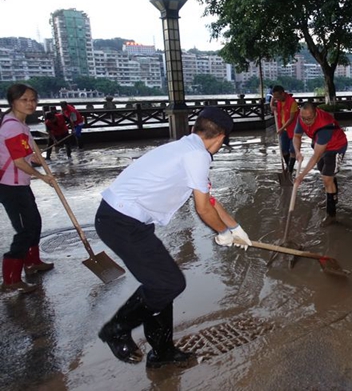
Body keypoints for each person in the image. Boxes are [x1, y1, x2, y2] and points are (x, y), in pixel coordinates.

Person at [94, 107, 252, 369]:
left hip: (123, 221)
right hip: (121, 222)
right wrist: (222, 233)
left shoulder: (187, 149)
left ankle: (162, 352)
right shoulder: (197, 156)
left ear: (196, 128)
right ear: (221, 137)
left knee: (161, 285)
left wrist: (236, 229)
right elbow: (203, 209)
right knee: (169, 284)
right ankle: (116, 329)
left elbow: (210, 200)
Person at [0, 84, 55, 294]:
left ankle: (32, 262)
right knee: (25, 230)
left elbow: (26, 154)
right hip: (10, 185)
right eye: (25, 99)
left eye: (33, 99)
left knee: (34, 222)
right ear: (13, 102)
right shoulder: (13, 126)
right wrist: (43, 177)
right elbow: (18, 162)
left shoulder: (20, 124)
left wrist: (35, 158)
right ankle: (11, 279)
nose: (30, 103)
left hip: (20, 184)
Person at [293, 102, 348, 226]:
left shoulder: (325, 125)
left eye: (309, 118)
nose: (306, 121)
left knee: (327, 179)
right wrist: (297, 152)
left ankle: (331, 214)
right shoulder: (301, 116)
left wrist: (300, 177)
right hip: (320, 145)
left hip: (336, 147)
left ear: (316, 113)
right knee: (323, 171)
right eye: (304, 118)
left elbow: (315, 157)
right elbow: (296, 135)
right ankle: (333, 196)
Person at [271, 85, 299, 174]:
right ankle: (288, 167)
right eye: (275, 97)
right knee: (283, 150)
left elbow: (291, 118)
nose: (277, 99)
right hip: (283, 129)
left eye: (278, 97)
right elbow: (274, 108)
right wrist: (271, 104)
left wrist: (281, 128)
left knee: (292, 150)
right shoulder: (278, 101)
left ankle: (290, 171)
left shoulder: (292, 102)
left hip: (293, 129)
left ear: (283, 94)